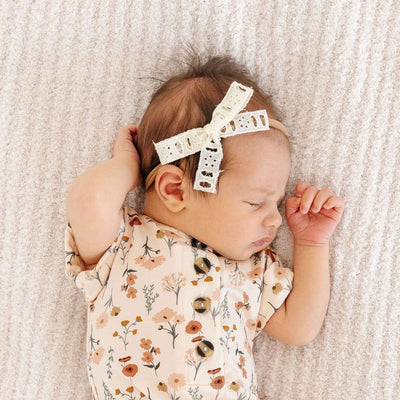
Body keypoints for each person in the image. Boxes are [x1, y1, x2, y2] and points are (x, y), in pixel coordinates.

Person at [65, 56, 344, 400]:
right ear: (174, 189)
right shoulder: (122, 243)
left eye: (276, 201)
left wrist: (312, 244)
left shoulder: (251, 270)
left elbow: (299, 328)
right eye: (256, 202)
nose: (275, 220)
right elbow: (88, 199)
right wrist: (128, 164)